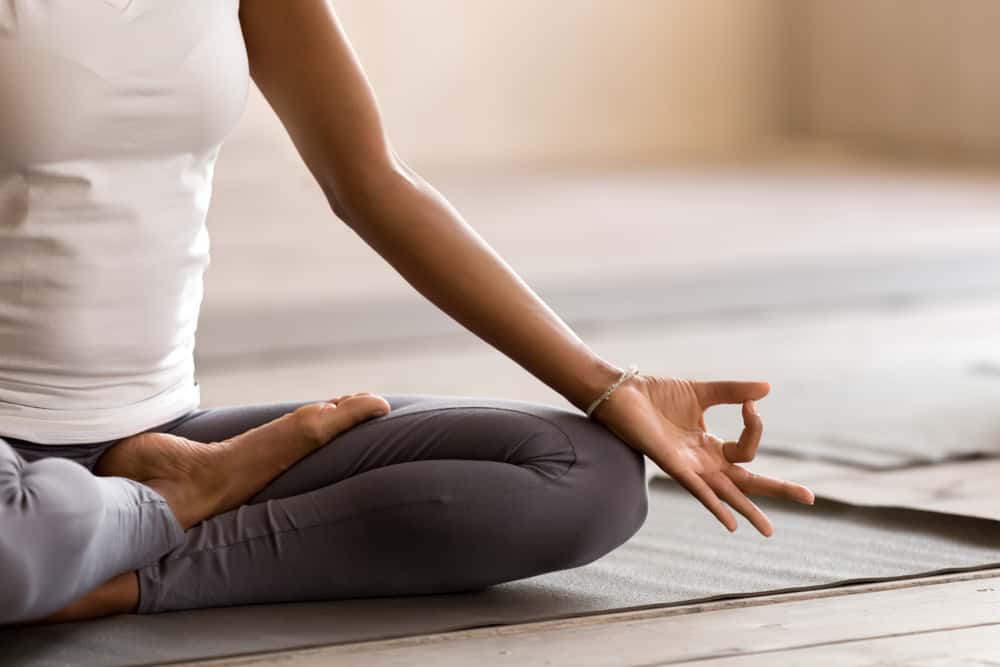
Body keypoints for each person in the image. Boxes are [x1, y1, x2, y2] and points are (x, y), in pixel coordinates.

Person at [0, 0, 815, 626]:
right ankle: (127, 525)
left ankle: (115, 556)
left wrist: (610, 385)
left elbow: (374, 184)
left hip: (162, 437)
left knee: (589, 479)